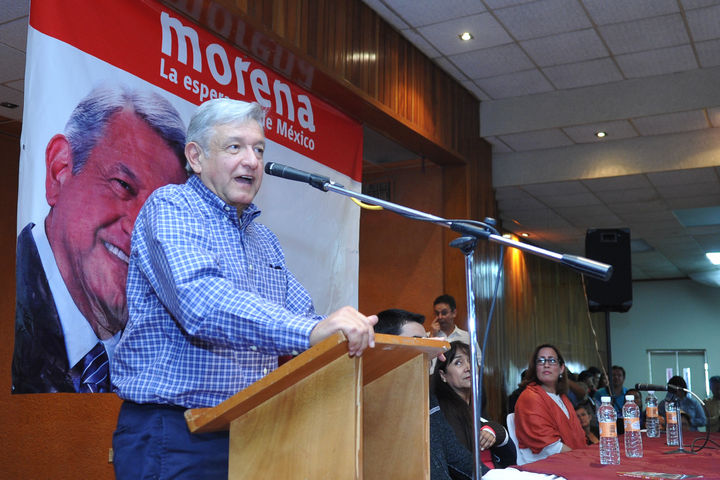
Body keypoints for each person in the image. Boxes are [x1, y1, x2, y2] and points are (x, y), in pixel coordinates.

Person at [110, 99, 377, 479]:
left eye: (259, 149)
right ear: (196, 157)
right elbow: (202, 304)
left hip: (251, 430)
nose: (252, 161)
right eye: (235, 147)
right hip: (176, 433)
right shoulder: (171, 207)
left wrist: (354, 332)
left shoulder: (263, 240)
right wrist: (312, 331)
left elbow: (302, 318)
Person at [12, 85, 188, 394]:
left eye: (160, 212)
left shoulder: (159, 348)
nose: (141, 230)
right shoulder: (16, 304)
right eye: (123, 185)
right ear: (59, 170)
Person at [374, 309, 473, 480]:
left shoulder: (427, 400)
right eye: (417, 342)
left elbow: (459, 458)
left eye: (426, 342)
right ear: (386, 348)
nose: (428, 351)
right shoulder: (371, 407)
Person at [432, 341, 516, 471]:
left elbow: (511, 458)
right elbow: (461, 464)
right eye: (458, 363)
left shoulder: (475, 405)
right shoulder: (443, 413)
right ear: (443, 375)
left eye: (471, 360)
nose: (468, 367)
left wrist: (497, 431)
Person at [514, 344, 586, 461]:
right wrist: (582, 459)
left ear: (561, 368)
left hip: (570, 459)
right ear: (535, 368)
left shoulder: (562, 397)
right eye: (541, 361)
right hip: (546, 465)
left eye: (552, 360)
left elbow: (578, 435)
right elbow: (550, 447)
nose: (546, 365)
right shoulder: (530, 397)